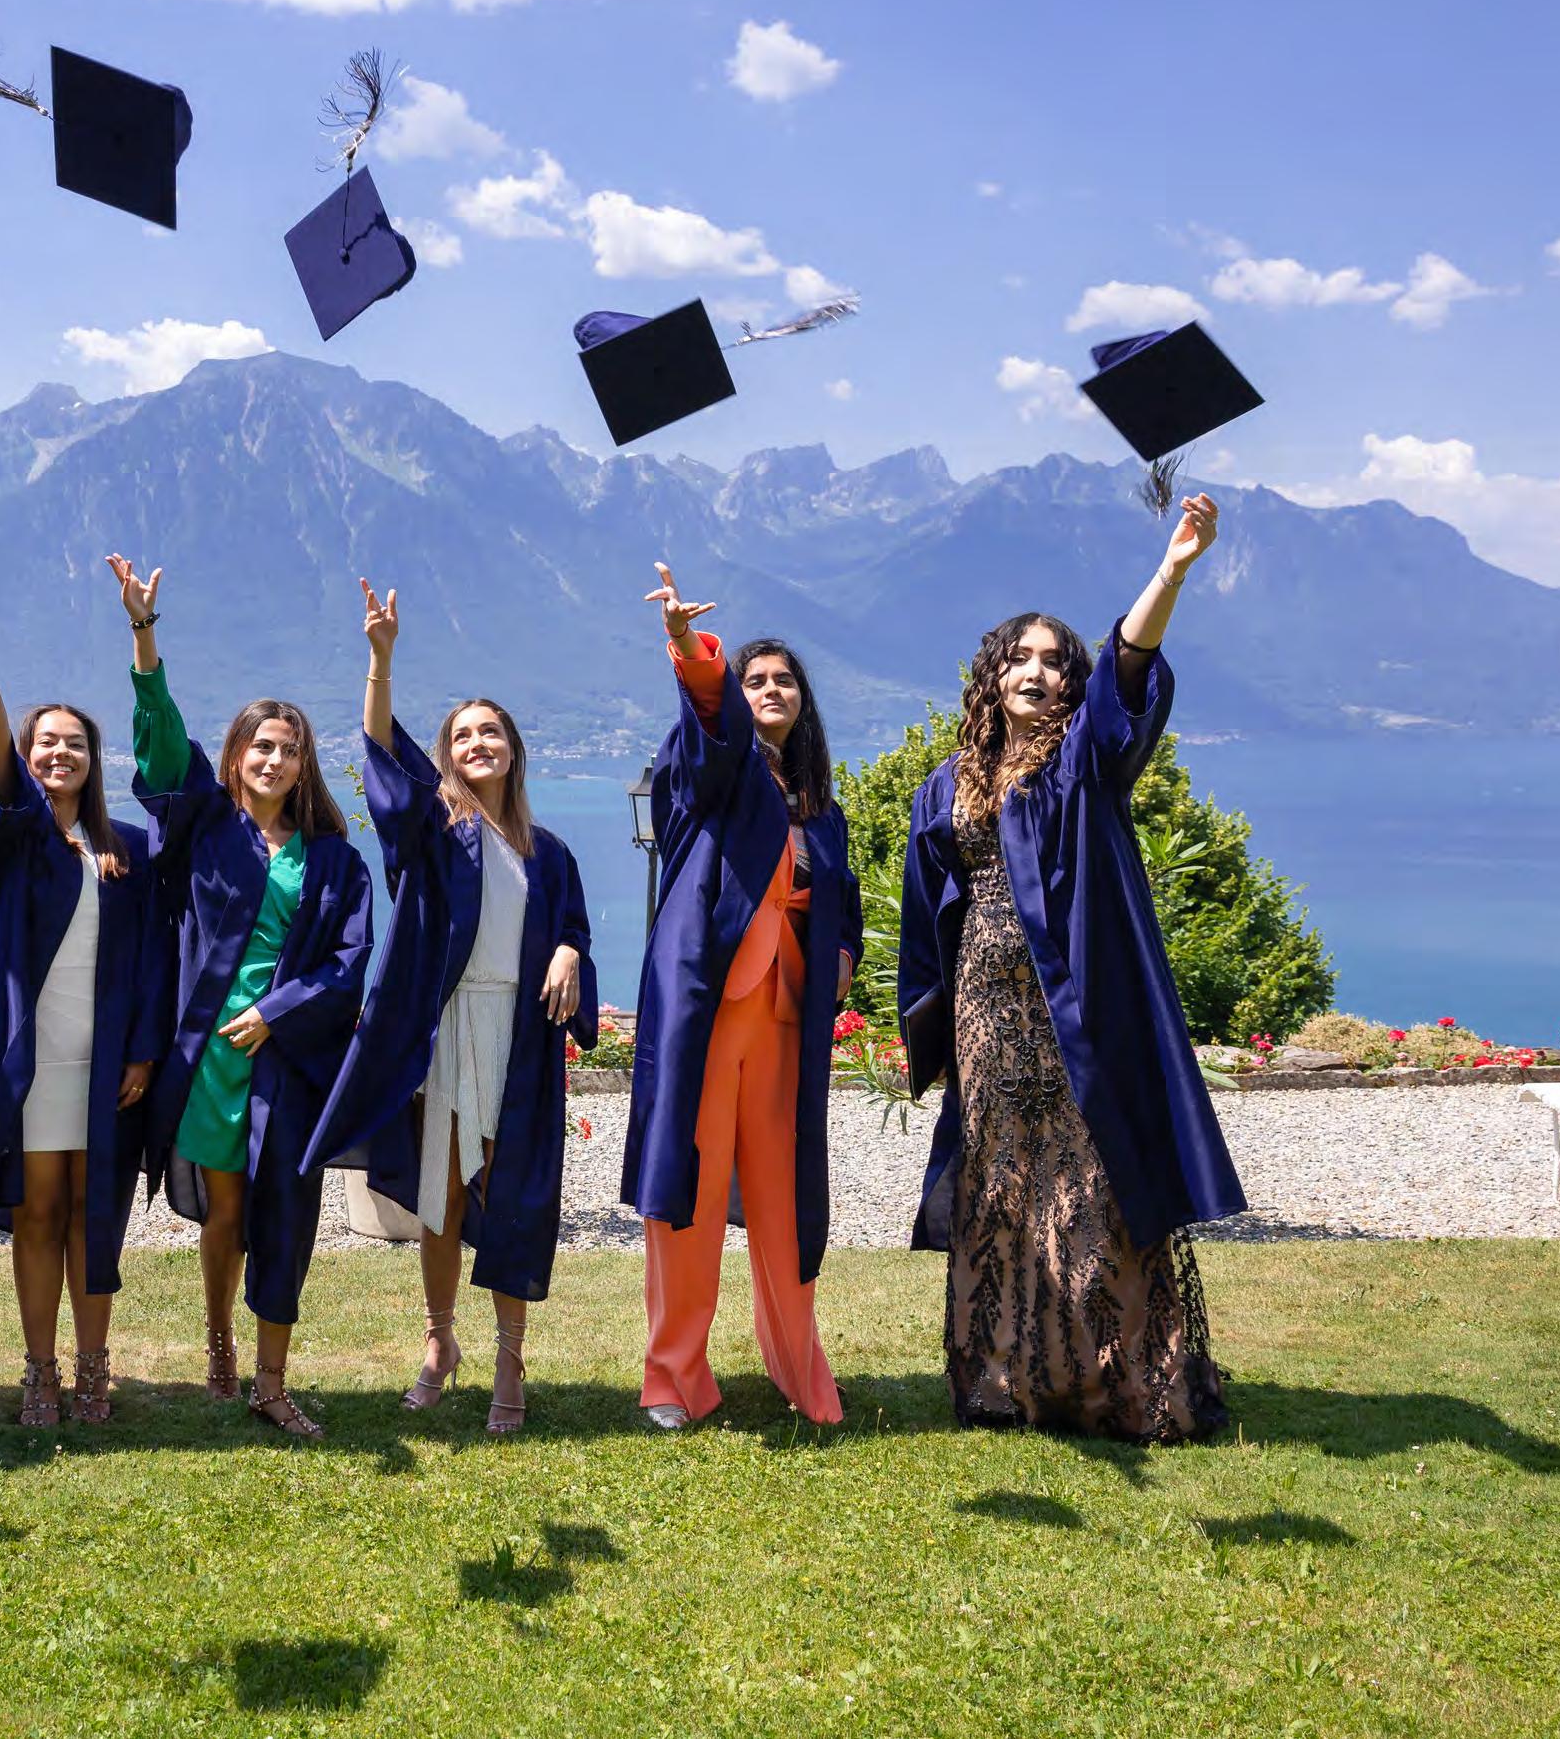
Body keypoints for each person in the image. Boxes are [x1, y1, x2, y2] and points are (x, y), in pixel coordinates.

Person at [899, 493, 1241, 1444]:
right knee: (998, 1184)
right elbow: (929, 905)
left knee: (1088, 1182)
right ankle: (1003, 1383)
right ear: (993, 674)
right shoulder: (947, 782)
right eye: (1021, 658)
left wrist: (1170, 570)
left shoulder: (1083, 762)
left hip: (1075, 1008)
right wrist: (927, 1017)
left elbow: (1129, 667)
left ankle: (1115, 1385)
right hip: (983, 1007)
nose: (1038, 672)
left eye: (1055, 661)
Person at [305, 578, 596, 1434]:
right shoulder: (434, 837)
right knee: (441, 1199)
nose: (478, 743)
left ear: (513, 750)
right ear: (447, 756)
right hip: (447, 1029)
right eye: (463, 735)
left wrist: (570, 951)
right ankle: (439, 1343)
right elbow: (381, 762)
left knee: (511, 1198)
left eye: (490, 731)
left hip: (520, 1038)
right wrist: (380, 660)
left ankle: (509, 1357)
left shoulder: (550, 852)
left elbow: (573, 927)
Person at [109, 553, 372, 1439]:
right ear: (234, 756)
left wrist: (277, 1011)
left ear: (304, 766)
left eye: (289, 749)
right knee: (224, 1209)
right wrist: (144, 633)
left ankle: (271, 1380)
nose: (274, 758)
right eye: (261, 745)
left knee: (285, 1215)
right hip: (209, 1058)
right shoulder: (200, 826)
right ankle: (220, 1344)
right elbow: (159, 739)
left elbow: (349, 960)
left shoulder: (333, 861)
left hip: (284, 1058)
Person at [0, 604, 170, 1426]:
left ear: (95, 761)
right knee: (37, 1216)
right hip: (29, 1063)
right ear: (27, 759)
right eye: (45, 743)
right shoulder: (12, 839)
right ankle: (39, 1372)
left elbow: (153, 959)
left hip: (105, 1066)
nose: (60, 753)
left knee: (94, 1219)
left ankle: (94, 1369)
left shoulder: (129, 848)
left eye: (75, 744)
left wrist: (142, 1052)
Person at [625, 564, 860, 1430]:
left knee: (784, 1195)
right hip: (709, 1005)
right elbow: (712, 722)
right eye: (754, 679)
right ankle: (672, 1376)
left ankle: (799, 1368)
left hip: (788, 1014)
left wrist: (840, 952)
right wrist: (690, 647)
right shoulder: (711, 770)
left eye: (783, 680)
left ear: (803, 701)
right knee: (688, 1192)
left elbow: (843, 900)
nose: (769, 690)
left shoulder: (822, 807)